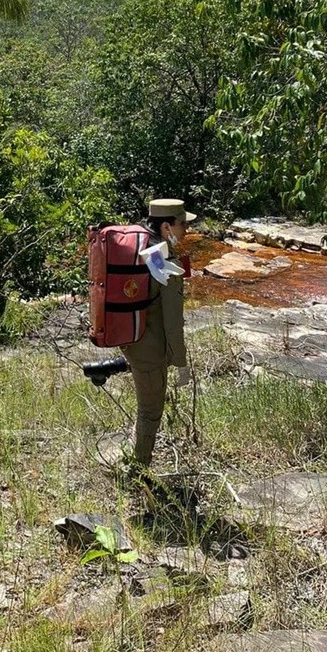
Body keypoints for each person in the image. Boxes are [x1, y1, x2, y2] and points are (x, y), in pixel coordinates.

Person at [82, 198, 193, 470]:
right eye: (183, 225)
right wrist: (181, 362)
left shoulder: (141, 246)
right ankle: (138, 470)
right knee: (150, 411)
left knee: (146, 389)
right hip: (149, 347)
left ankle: (108, 368)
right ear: (166, 226)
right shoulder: (163, 259)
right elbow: (173, 321)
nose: (186, 231)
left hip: (133, 337)